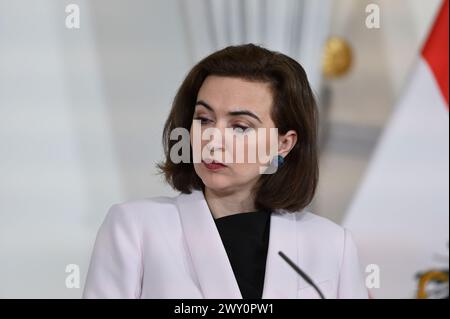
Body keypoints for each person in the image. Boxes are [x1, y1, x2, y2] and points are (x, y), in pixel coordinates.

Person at [83, 44, 368, 299]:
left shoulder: (332, 245)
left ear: (283, 144)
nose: (213, 139)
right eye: (204, 119)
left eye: (240, 127)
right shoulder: (136, 228)